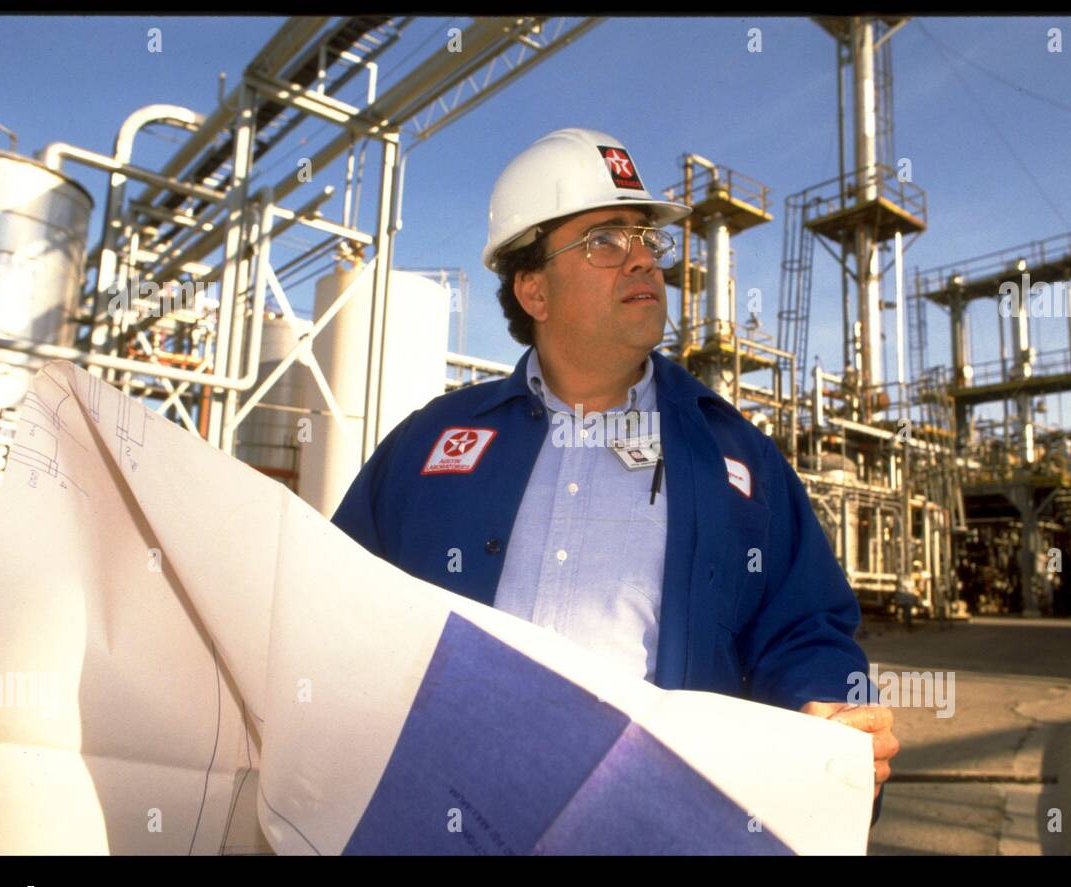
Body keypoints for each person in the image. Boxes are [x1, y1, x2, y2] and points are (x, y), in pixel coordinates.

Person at [331, 127, 897, 828]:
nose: (643, 262)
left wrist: (831, 713)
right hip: (437, 817)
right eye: (604, 241)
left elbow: (803, 630)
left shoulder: (740, 463)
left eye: (645, 240)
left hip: (650, 825)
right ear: (533, 289)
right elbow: (334, 610)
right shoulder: (430, 446)